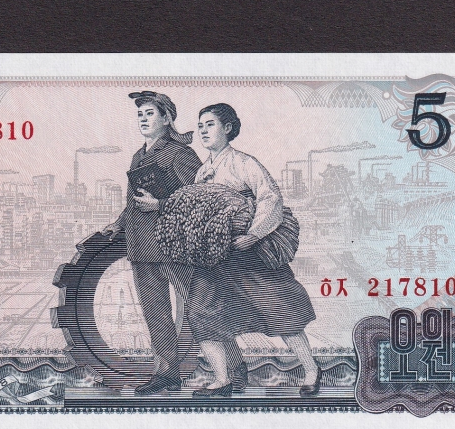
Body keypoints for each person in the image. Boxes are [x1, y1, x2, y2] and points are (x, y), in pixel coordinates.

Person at [184, 103, 320, 397]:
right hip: (215, 259)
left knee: (281, 311)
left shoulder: (244, 163)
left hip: (250, 254)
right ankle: (222, 380)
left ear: (228, 128)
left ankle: (311, 370)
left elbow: (270, 199)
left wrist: (253, 234)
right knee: (201, 313)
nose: (203, 131)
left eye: (210, 124)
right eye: (200, 126)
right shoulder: (203, 171)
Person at [102, 91, 201, 395]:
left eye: (150, 114)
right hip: (143, 247)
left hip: (175, 247)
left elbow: (200, 198)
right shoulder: (138, 155)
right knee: (156, 315)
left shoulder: (180, 154)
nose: (143, 120)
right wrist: (118, 224)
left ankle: (234, 370)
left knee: (201, 309)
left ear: (167, 118)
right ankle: (168, 374)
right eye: (140, 115)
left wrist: (160, 205)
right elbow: (133, 203)